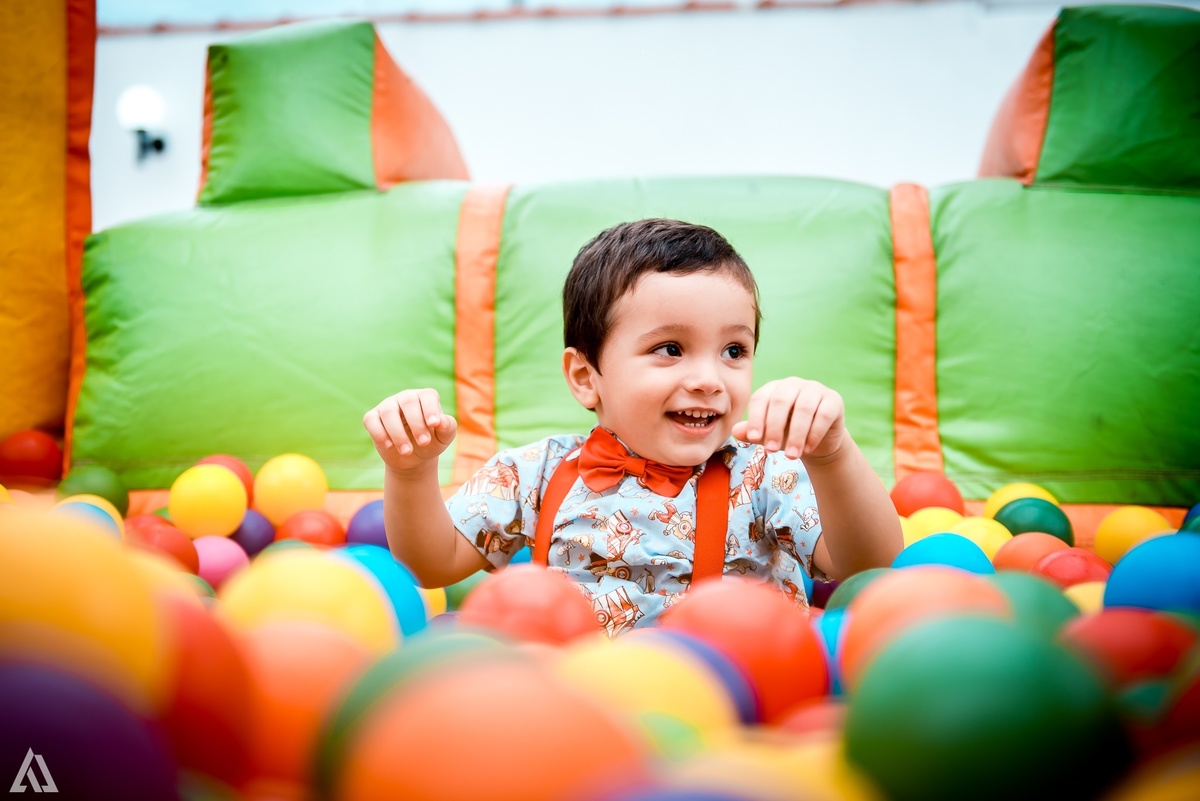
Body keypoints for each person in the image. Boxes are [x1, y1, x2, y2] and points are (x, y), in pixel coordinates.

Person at [363, 218, 902, 636]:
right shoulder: (535, 472)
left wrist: (831, 456)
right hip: (580, 704)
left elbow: (869, 566)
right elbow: (433, 565)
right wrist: (410, 471)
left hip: (734, 700)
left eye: (734, 350)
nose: (709, 378)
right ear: (585, 377)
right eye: (670, 349)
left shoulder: (765, 475)